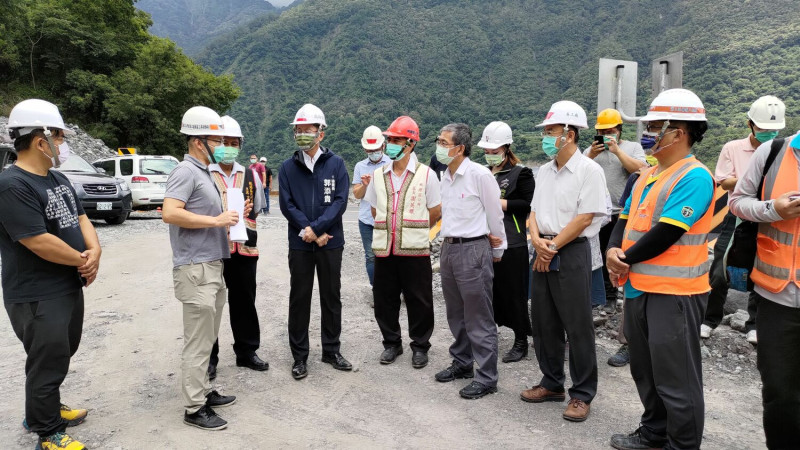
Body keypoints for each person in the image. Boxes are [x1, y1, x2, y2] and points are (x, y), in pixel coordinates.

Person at [606, 89, 715, 450]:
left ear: (679, 133)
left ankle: (681, 444)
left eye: (654, 126)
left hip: (676, 295)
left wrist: (624, 258)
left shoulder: (695, 177)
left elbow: (667, 233)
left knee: (676, 378)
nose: (647, 134)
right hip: (640, 287)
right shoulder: (648, 174)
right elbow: (623, 220)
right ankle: (654, 431)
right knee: (646, 369)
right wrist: (612, 251)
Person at [0, 99, 101, 450]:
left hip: (66, 285)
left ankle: (41, 410)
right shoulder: (12, 185)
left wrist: (95, 252)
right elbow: (36, 240)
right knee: (46, 359)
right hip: (36, 292)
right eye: (58, 136)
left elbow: (82, 218)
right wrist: (81, 260)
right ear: (40, 141)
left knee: (61, 351)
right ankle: (47, 432)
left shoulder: (56, 177)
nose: (63, 144)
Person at [521, 101, 606, 423]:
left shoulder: (589, 171)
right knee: (543, 321)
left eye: (551, 131)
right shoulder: (544, 171)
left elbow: (585, 218)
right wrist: (536, 241)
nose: (546, 136)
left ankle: (582, 394)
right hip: (543, 247)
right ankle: (551, 382)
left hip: (570, 251)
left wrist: (551, 247)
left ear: (569, 134)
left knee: (577, 325)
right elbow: (532, 212)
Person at [162, 106, 242, 431]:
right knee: (197, 341)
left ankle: (204, 392)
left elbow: (202, 214)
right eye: (216, 139)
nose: (222, 144)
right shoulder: (185, 171)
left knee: (207, 337)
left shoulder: (203, 172)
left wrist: (230, 214)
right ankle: (194, 407)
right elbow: (170, 212)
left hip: (211, 267)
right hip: (195, 269)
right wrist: (216, 219)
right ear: (199, 141)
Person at [729, 129, 800, 450]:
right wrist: (773, 208)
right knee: (780, 393)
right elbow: (737, 202)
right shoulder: (773, 153)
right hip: (775, 298)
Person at [701, 96, 786, 344]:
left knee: (762, 267)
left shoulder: (782, 149)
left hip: (768, 215)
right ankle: (709, 319)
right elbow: (724, 181)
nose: (768, 134)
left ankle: (754, 323)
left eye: (774, 130)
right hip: (737, 215)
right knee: (719, 268)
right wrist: (754, 177)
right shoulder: (733, 148)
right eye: (763, 129)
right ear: (750, 124)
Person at [278, 103, 352, 380]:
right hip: (300, 242)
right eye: (299, 130)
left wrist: (318, 229)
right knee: (300, 298)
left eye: (308, 129)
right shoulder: (287, 167)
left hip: (330, 241)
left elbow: (340, 202)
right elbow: (287, 205)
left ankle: (331, 350)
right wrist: (308, 230)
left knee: (331, 296)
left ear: (321, 133)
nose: (303, 134)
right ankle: (299, 356)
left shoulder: (336, 164)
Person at [434, 123, 506, 400]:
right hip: (449, 249)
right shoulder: (445, 176)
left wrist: (498, 249)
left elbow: (494, 215)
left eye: (444, 142)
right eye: (439, 141)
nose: (439, 146)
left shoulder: (479, 175)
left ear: (459, 148)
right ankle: (462, 362)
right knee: (456, 312)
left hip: (474, 249)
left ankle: (487, 377)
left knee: (478, 315)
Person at [364, 116, 441, 368]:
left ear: (411, 143)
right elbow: (375, 210)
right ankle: (391, 343)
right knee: (385, 298)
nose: (391, 144)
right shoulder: (378, 175)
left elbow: (435, 210)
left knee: (419, 299)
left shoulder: (426, 175)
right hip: (385, 248)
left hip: (415, 249)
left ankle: (420, 346)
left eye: (396, 139)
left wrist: (413, 230)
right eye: (390, 139)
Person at [207, 116, 269, 381]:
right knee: (209, 304)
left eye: (233, 143)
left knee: (244, 300)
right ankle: (208, 359)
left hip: (243, 248)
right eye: (222, 142)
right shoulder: (204, 173)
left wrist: (245, 212)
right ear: (214, 144)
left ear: (240, 145)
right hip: (211, 247)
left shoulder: (251, 174)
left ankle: (246, 351)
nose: (228, 147)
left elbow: (257, 207)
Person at [477, 121, 534, 363]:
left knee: (514, 293)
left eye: (494, 150)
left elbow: (527, 205)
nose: (490, 155)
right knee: (489, 292)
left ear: (506, 148)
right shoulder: (481, 173)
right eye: (487, 151)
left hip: (512, 242)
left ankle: (521, 340)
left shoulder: (521, 173)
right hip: (483, 240)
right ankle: (488, 337)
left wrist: (496, 203)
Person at [585, 109, 647, 312]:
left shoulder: (632, 147)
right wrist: (591, 154)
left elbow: (640, 169)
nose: (606, 135)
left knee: (616, 254)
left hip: (621, 212)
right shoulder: (590, 151)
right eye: (602, 131)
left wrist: (617, 152)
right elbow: (578, 170)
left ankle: (613, 296)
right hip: (597, 213)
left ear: (620, 129)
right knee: (598, 255)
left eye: (610, 130)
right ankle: (599, 295)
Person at [352, 125, 391, 287]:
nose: (373, 152)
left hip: (388, 219)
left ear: (383, 146)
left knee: (391, 256)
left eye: (375, 149)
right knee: (370, 256)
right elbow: (357, 194)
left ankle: (393, 290)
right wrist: (365, 185)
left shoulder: (392, 163)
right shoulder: (360, 167)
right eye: (369, 150)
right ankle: (377, 290)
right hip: (367, 220)